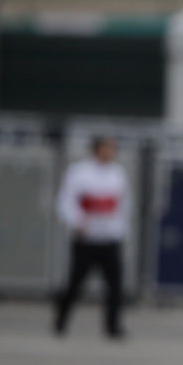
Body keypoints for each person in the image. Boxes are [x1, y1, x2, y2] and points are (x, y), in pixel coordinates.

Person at [54, 135, 128, 339]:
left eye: (112, 148)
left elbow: (121, 205)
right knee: (75, 283)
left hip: (109, 239)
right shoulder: (79, 172)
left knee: (115, 286)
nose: (110, 152)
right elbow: (66, 202)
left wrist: (119, 231)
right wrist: (77, 222)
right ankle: (61, 321)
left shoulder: (117, 173)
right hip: (86, 239)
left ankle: (113, 327)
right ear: (97, 149)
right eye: (106, 148)